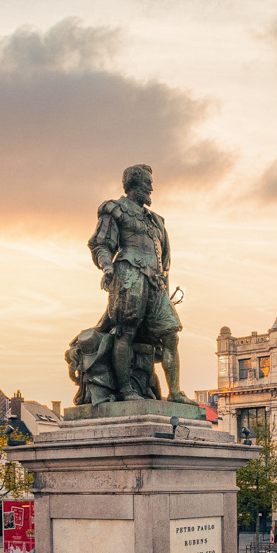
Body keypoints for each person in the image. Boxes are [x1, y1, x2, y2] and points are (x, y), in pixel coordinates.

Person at [83, 164, 189, 404]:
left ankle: (175, 392)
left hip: (156, 283)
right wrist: (107, 268)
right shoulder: (115, 209)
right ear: (132, 184)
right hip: (129, 275)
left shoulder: (156, 221)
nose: (151, 187)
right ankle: (126, 389)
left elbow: (165, 260)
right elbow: (101, 244)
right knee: (125, 332)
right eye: (146, 182)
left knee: (171, 334)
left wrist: (165, 288)